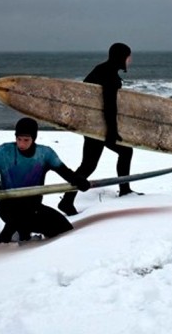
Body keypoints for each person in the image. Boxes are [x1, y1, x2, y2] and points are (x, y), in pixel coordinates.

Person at [0, 117, 90, 243]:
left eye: (26, 140)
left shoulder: (45, 154)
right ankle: (4, 240)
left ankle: (25, 235)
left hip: (33, 206)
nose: (22, 144)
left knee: (65, 229)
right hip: (7, 206)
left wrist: (79, 181)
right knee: (19, 217)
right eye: (18, 139)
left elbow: (66, 173)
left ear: (34, 138)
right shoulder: (4, 152)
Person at [58, 42, 141, 216]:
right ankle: (68, 201)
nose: (130, 60)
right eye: (128, 56)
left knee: (108, 158)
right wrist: (111, 131)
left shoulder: (102, 69)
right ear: (121, 57)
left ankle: (123, 189)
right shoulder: (108, 74)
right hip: (98, 127)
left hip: (93, 125)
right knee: (91, 164)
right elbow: (109, 104)